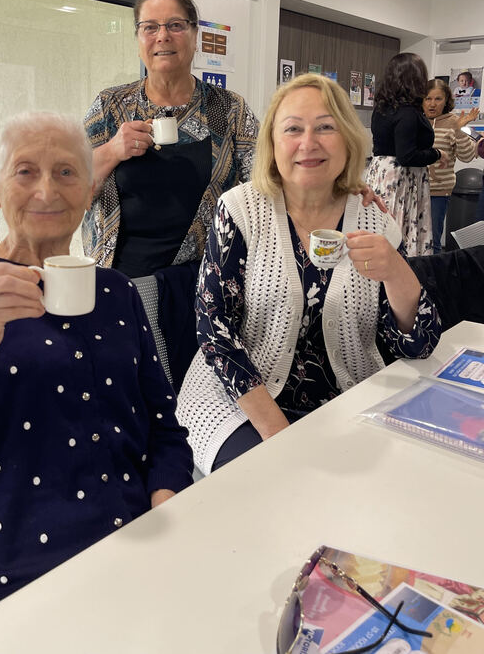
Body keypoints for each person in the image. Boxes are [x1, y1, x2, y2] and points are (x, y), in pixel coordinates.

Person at [0, 111, 193, 627]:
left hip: (139, 554)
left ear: (89, 190)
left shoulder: (117, 294)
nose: (47, 190)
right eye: (25, 171)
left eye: (66, 172)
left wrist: (166, 502)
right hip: (16, 584)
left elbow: (164, 429)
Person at [176, 74, 441, 476]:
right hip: (239, 399)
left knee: (388, 483)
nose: (308, 143)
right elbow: (214, 329)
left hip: (348, 397)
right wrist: (277, 431)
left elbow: (418, 346)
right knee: (271, 483)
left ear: (348, 138)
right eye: (293, 129)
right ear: (273, 143)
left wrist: (397, 272)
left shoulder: (373, 217)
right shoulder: (242, 209)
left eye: (325, 127)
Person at [82, 0, 259, 388]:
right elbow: (72, 189)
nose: (162, 36)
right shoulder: (112, 107)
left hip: (203, 285)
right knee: (127, 393)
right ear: (138, 39)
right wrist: (112, 149)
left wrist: (341, 187)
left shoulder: (228, 109)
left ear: (194, 35)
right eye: (150, 27)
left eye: (175, 25)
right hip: (120, 282)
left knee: (195, 396)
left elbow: (266, 184)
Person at [366, 52, 448, 256]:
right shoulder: (408, 113)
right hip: (402, 181)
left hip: (380, 176)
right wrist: (437, 154)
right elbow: (407, 156)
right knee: (400, 235)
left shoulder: (382, 108)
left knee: (380, 231)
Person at [423, 79, 479, 253]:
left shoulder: (455, 121)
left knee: (432, 241)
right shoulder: (416, 120)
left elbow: (468, 155)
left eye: (438, 99)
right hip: (412, 190)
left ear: (446, 100)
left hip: (438, 192)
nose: (432, 104)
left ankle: (435, 278)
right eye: (428, 98)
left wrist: (458, 130)